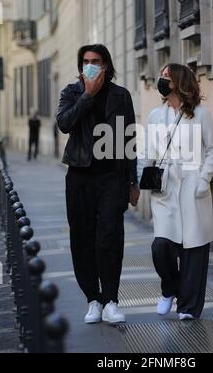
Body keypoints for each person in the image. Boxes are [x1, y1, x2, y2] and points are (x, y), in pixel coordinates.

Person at [57, 44, 140, 325]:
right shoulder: (71, 92)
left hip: (112, 178)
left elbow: (129, 139)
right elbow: (64, 124)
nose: (90, 65)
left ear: (106, 65)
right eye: (86, 61)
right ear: (81, 66)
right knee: (82, 239)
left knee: (110, 237)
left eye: (96, 61)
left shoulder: (121, 95)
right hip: (79, 176)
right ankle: (93, 299)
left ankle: (112, 300)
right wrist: (87, 96)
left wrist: (133, 181)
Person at [138, 63, 213, 320]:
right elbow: (146, 153)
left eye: (166, 76)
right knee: (161, 246)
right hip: (165, 189)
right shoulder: (155, 116)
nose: (162, 80)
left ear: (180, 81)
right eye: (161, 76)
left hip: (192, 186)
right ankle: (169, 288)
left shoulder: (201, 115)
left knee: (194, 250)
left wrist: (203, 180)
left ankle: (188, 307)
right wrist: (139, 179)